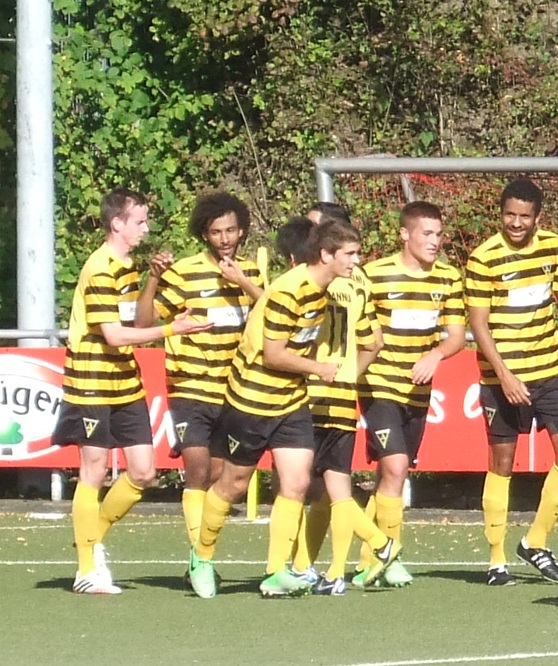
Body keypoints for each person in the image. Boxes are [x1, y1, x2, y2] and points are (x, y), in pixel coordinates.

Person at [186, 220, 399, 598]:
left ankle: (276, 572)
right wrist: (319, 369)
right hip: (252, 399)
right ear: (326, 255)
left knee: (298, 483)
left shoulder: (324, 290)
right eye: (350, 254)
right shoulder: (290, 290)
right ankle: (201, 558)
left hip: (292, 401)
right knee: (233, 484)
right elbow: (273, 354)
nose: (356, 261)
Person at [51, 187, 213, 594]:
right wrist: (173, 329)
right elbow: (113, 335)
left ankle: (92, 538)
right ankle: (87, 569)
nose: (146, 228)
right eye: (139, 221)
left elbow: (134, 323)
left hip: (124, 380)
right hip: (91, 380)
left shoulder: (127, 266)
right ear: (116, 223)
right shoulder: (100, 268)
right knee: (94, 470)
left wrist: (154, 279)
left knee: (143, 472)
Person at [465, 178, 558, 586]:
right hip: (501, 377)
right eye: (509, 215)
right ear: (500, 214)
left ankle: (535, 541)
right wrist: (504, 375)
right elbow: (478, 324)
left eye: (524, 216)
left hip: (550, 370)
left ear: (538, 217)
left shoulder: (553, 247)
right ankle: (497, 561)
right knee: (502, 463)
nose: (516, 223)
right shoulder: (483, 258)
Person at [134, 192, 263, 571]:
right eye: (216, 232)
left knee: (220, 475)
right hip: (190, 387)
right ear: (205, 234)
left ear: (242, 232)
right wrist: (153, 278)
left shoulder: (251, 272)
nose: (225, 239)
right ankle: (199, 562)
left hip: (234, 390)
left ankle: (202, 550)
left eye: (231, 231)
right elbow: (143, 323)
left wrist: (243, 282)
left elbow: (274, 313)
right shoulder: (184, 272)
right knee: (198, 470)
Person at [275, 214, 397, 596]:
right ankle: (333, 573)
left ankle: (377, 542)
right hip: (343, 394)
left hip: (310, 392)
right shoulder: (360, 282)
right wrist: (349, 374)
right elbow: (375, 342)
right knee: (336, 487)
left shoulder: (312, 284)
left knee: (295, 485)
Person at [352, 201, 466, 587]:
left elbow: (456, 336)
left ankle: (369, 559)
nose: (434, 242)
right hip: (379, 385)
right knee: (396, 466)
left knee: (391, 474)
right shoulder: (374, 275)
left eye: (439, 234)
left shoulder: (448, 277)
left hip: (418, 390)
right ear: (404, 234)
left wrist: (436, 355)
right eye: (426, 234)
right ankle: (391, 555)